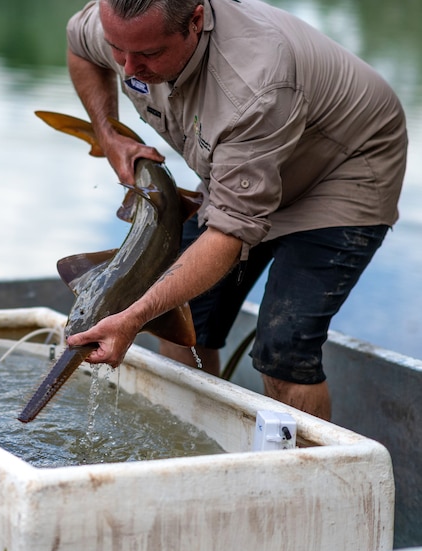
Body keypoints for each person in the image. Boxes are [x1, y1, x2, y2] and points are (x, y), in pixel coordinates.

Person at [64, 0, 407, 420]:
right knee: (180, 322)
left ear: (196, 20)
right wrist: (107, 132)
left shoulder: (254, 83)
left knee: (284, 346)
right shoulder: (125, 28)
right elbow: (79, 48)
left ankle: (300, 480)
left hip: (343, 171)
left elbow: (229, 234)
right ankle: (195, 452)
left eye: (149, 54)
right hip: (248, 163)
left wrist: (133, 316)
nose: (130, 69)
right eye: (118, 49)